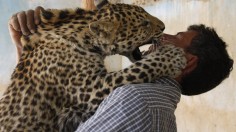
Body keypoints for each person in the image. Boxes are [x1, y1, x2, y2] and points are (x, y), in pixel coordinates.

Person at [8, 3, 233, 132]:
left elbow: (92, 94)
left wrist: (157, 62)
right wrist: (24, 50)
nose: (163, 34)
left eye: (176, 37)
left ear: (188, 62)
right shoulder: (161, 114)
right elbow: (55, 107)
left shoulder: (136, 100)